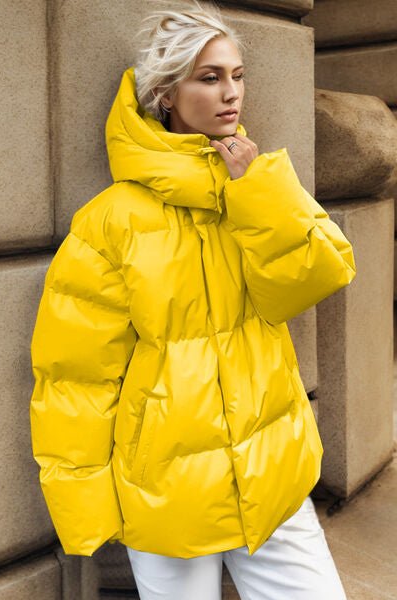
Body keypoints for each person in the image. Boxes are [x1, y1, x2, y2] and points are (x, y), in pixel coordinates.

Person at [29, 0, 356, 598]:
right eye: (209, 78)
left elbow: (317, 277)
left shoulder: (257, 184)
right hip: (167, 497)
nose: (232, 93)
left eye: (237, 75)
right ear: (165, 95)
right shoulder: (110, 222)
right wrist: (85, 508)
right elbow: (76, 378)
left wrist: (258, 194)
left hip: (271, 474)